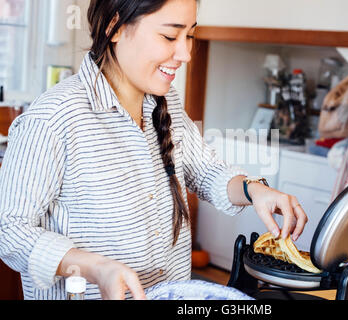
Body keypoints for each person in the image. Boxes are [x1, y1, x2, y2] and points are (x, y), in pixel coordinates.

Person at [0, 0, 308, 300]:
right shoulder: (53, 118)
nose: (186, 53)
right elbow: (9, 230)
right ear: (115, 27)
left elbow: (206, 173)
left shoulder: (166, 102)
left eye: (190, 35)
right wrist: (96, 268)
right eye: (170, 36)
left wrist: (255, 190)